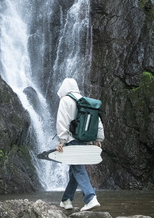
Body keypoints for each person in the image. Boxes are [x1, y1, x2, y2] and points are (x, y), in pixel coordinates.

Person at [56, 78, 104, 211]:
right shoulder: (85, 100)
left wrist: (62, 141)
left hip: (72, 141)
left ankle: (90, 198)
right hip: (86, 140)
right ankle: (66, 200)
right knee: (74, 170)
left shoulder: (65, 100)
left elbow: (62, 121)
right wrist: (98, 139)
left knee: (77, 169)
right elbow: (98, 121)